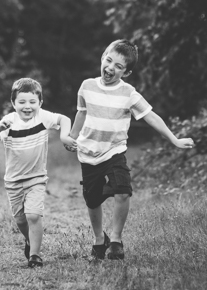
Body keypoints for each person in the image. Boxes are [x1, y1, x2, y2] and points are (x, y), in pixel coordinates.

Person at [67, 39, 195, 260]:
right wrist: (72, 136)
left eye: (119, 66)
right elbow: (81, 113)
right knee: (92, 200)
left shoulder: (128, 93)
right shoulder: (86, 86)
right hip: (88, 153)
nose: (110, 68)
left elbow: (151, 117)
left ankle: (115, 240)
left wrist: (174, 139)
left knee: (123, 191)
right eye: (109, 61)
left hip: (114, 151)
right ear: (102, 57)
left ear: (126, 73)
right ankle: (99, 239)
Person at [0, 77, 75, 268]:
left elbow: (64, 119)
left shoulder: (42, 117)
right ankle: (29, 240)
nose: (27, 106)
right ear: (13, 103)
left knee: (33, 215)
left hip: (36, 178)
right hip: (13, 181)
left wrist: (64, 135)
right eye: (22, 102)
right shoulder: (9, 121)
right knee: (20, 219)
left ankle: (35, 255)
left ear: (40, 103)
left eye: (32, 102)